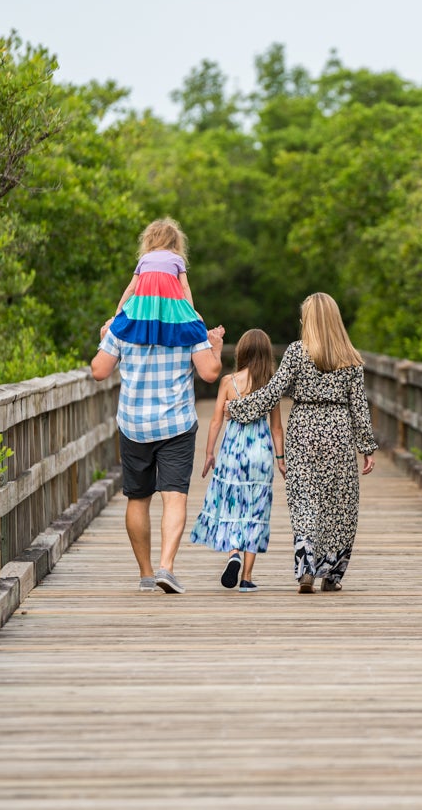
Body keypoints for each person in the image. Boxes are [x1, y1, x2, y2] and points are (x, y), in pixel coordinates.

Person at [91, 224, 225, 594]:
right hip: (177, 423)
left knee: (137, 498)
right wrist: (212, 344)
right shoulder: (188, 322)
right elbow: (211, 374)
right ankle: (167, 566)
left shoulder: (126, 321)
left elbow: (99, 371)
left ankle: (147, 575)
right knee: (174, 496)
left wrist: (107, 334)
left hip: (134, 423)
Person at [225, 293, 376, 593]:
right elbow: (359, 405)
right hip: (338, 432)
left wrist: (239, 408)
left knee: (304, 500)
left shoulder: (296, 353)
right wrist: (367, 447)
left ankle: (306, 566)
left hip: (304, 430)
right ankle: (331, 575)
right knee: (340, 505)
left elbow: (273, 392)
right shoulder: (351, 358)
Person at [190, 329, 285, 593]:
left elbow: (217, 421)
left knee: (233, 503)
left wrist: (210, 453)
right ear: (267, 354)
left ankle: (233, 551)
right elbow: (276, 428)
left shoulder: (228, 382)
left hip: (232, 451)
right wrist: (280, 459)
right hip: (260, 452)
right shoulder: (271, 384)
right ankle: (247, 576)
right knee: (256, 510)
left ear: (242, 352)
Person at [103, 217, 207, 347]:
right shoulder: (177, 259)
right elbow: (185, 287)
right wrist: (190, 311)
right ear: (175, 242)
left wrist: (119, 309)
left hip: (144, 308)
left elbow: (131, 288)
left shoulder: (144, 259)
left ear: (149, 239)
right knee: (198, 323)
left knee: (125, 325)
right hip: (169, 307)